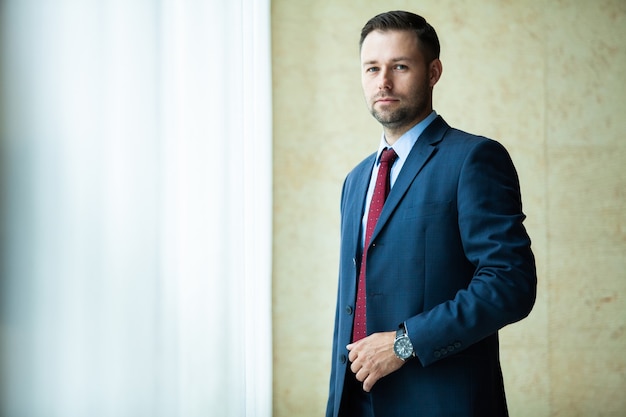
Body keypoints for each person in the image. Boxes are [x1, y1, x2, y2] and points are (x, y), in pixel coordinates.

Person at [326, 10, 537, 417]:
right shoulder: (356, 181)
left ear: (434, 71)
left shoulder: (473, 159)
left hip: (440, 402)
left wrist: (405, 343)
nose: (383, 82)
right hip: (353, 403)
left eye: (400, 66)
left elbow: (510, 284)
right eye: (372, 68)